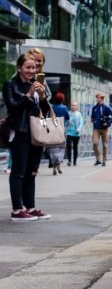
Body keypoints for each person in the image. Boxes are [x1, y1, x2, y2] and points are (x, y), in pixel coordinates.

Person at [2, 53, 52, 221]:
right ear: (19, 68)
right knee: (18, 172)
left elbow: (44, 112)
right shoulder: (11, 85)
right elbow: (13, 107)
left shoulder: (36, 84)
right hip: (20, 132)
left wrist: (43, 97)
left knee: (31, 172)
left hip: (36, 133)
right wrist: (29, 94)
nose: (32, 70)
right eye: (28, 67)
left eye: (34, 67)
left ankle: (30, 207)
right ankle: (17, 209)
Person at [47, 92, 69, 175]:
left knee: (52, 148)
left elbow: (48, 116)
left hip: (52, 130)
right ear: (62, 99)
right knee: (61, 148)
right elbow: (67, 117)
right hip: (61, 130)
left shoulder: (51, 107)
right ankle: (58, 165)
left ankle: (54, 166)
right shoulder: (64, 107)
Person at [91, 93, 112, 166]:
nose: (98, 99)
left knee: (105, 145)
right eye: (97, 98)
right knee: (95, 143)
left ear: (102, 99)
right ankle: (98, 158)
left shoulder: (106, 108)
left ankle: (104, 160)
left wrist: (108, 122)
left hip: (104, 129)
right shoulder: (94, 108)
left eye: (99, 98)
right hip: (96, 129)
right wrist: (93, 120)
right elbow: (92, 117)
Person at [65, 101, 84, 166]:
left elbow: (81, 123)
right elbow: (65, 121)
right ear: (70, 106)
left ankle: (75, 161)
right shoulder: (68, 113)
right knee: (69, 146)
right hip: (69, 133)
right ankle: (69, 161)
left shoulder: (79, 114)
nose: (73, 106)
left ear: (77, 107)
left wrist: (79, 129)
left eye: (75, 105)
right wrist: (67, 124)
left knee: (75, 147)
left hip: (76, 133)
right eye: (72, 105)